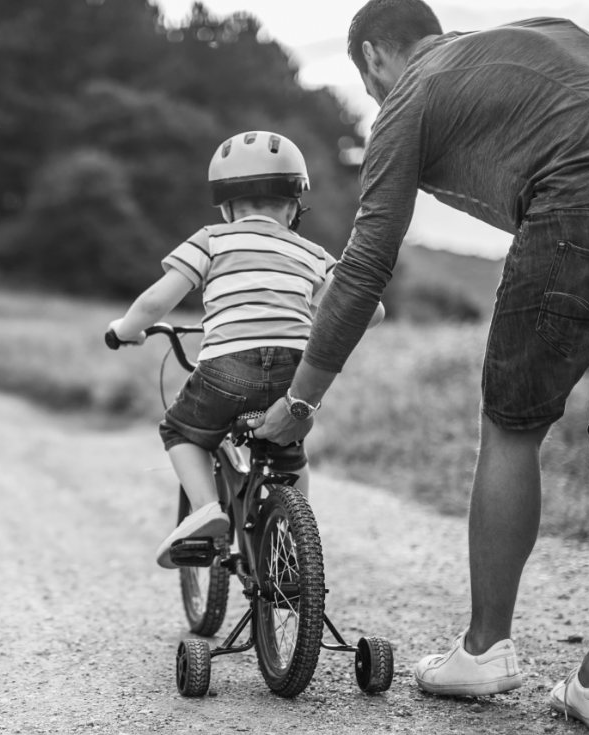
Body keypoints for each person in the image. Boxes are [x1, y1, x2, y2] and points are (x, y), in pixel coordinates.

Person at [254, 0, 589, 734]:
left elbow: (365, 267)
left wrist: (300, 401)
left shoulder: (410, 93)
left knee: (512, 428)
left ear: (372, 60)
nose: (373, 98)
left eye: (367, 85)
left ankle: (484, 650)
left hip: (588, 205)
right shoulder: (546, 34)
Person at [107, 131, 384, 569]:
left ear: (226, 206)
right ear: (294, 205)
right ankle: (292, 543)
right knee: (289, 456)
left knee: (181, 432)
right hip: (295, 375)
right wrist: (313, 316)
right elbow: (373, 310)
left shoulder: (211, 240)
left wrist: (126, 328)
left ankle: (205, 511)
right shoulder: (312, 253)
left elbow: (156, 302)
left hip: (227, 368)